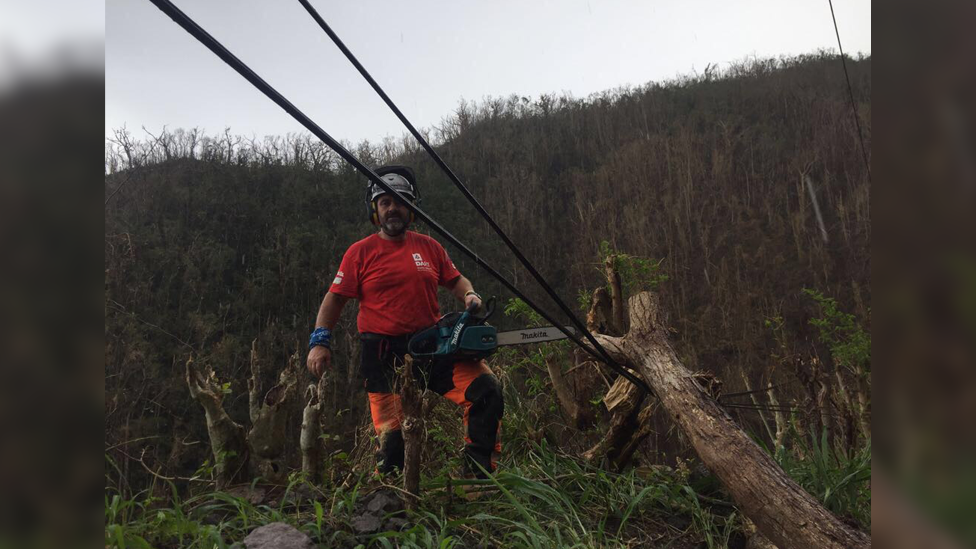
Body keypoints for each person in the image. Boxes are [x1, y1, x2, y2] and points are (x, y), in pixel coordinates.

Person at [306, 165, 503, 478]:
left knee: (486, 390)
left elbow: (455, 279)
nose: (392, 208)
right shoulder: (360, 253)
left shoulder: (429, 247)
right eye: (385, 202)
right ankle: (392, 503)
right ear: (376, 209)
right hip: (383, 355)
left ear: (411, 208)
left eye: (399, 201)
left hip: (432, 348)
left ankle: (478, 479)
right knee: (392, 441)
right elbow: (334, 299)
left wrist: (469, 294)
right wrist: (319, 341)